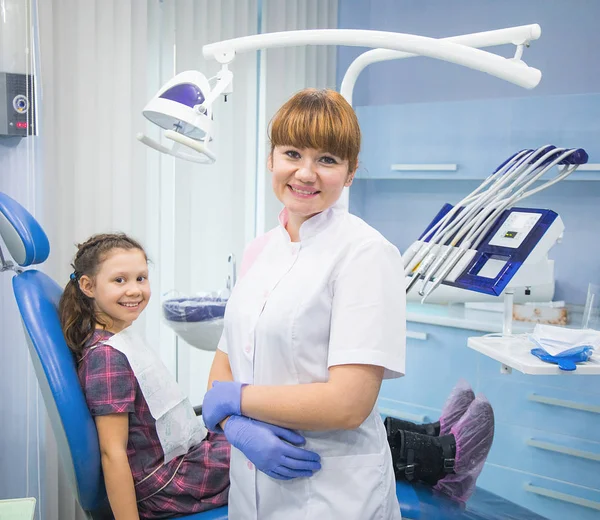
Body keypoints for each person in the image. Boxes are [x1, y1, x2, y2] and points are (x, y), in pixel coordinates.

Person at [202, 88, 495, 520]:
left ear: (351, 171)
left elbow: (348, 403)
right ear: (271, 159)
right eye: (292, 153)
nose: (305, 173)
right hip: (251, 491)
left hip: (331, 493)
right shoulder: (259, 251)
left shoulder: (366, 254)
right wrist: (237, 428)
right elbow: (226, 365)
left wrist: (236, 402)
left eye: (327, 160)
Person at [58, 233, 321, 520]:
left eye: (141, 278)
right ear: (88, 286)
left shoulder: (119, 337)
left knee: (265, 433)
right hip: (169, 482)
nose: (134, 290)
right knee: (291, 446)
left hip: (180, 460)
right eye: (119, 280)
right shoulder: (107, 357)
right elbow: (112, 453)